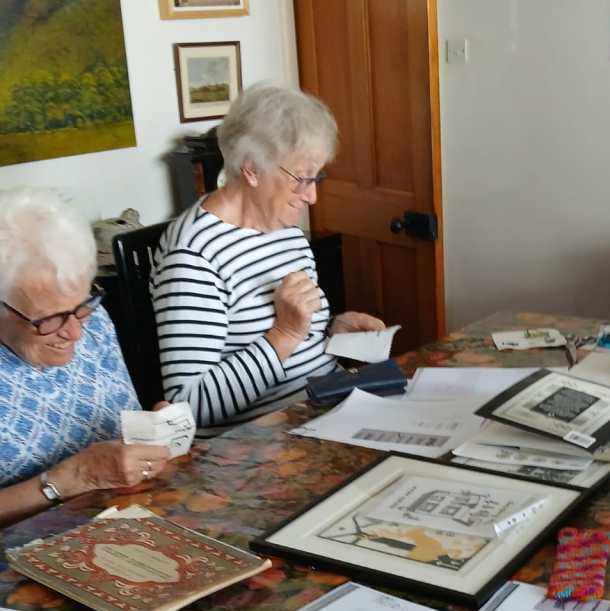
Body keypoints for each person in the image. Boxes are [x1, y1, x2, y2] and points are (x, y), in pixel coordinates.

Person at [151, 82, 385, 436]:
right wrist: (284, 334)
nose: (312, 196)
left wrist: (333, 331)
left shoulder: (284, 230)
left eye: (317, 177)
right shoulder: (193, 256)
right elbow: (189, 406)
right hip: (261, 443)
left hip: (326, 412)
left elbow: (298, 339)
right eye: (301, 178)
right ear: (251, 169)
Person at [0, 187, 171, 528]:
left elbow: (117, 431)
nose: (76, 333)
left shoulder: (93, 320)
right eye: (49, 319)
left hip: (126, 523)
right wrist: (73, 478)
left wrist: (148, 438)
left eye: (82, 305)